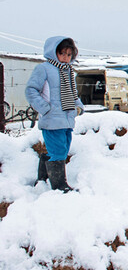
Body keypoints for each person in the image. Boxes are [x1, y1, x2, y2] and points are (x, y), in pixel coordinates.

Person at [25, 36, 85, 192]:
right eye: (62, 53)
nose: (66, 57)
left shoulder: (68, 71)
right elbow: (31, 90)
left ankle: (42, 179)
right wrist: (45, 109)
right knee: (58, 151)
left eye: (69, 54)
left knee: (62, 150)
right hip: (52, 119)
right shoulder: (44, 68)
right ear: (53, 52)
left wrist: (78, 107)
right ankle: (59, 186)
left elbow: (73, 94)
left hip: (67, 118)